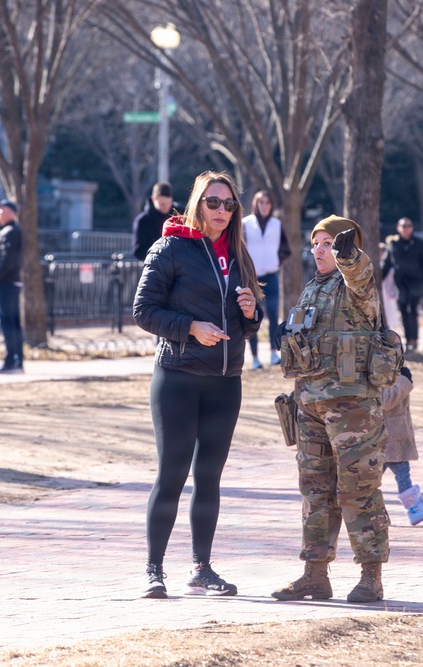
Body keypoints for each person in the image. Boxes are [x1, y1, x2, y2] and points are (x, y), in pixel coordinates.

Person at [132, 171, 262, 599]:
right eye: (213, 202)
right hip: (178, 378)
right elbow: (144, 310)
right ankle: (154, 570)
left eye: (228, 204)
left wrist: (250, 312)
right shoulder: (171, 246)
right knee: (172, 473)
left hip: (226, 382)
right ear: (196, 204)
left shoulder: (239, 253)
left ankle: (202, 568)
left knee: (209, 477)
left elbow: (249, 325)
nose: (221, 211)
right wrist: (190, 327)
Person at [271, 215, 391, 604]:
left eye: (328, 243)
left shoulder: (357, 285)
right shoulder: (311, 289)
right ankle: (314, 575)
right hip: (310, 405)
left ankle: (371, 576)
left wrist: (349, 256)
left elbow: (360, 275)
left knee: (358, 489)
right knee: (315, 490)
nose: (320, 250)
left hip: (353, 407)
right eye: (316, 243)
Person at [382, 366, 423, 525]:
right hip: (388, 437)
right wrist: (404, 380)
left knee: (370, 479)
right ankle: (414, 509)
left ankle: (414, 508)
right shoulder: (378, 368)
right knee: (401, 474)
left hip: (391, 436)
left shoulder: (389, 366)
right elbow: (386, 400)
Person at [242, 190, 291, 369]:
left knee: (272, 313)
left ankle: (273, 353)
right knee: (252, 315)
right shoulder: (246, 224)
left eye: (267, 203)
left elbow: (286, 249)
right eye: (261, 202)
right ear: (256, 204)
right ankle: (254, 357)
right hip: (252, 277)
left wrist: (276, 261)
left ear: (271, 205)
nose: (264, 206)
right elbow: (239, 248)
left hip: (271, 275)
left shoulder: (276, 224)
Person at [382, 217, 423, 351]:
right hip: (401, 284)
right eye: (403, 226)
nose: (406, 229)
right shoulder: (393, 245)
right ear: (398, 228)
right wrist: (377, 279)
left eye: (409, 226)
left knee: (412, 310)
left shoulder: (420, 244)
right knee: (404, 311)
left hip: (416, 283)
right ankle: (408, 339)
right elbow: (387, 265)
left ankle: (414, 339)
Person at [0, 199, 25, 373]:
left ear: (10, 212)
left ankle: (13, 361)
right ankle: (15, 360)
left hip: (6, 283)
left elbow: (6, 260)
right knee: (11, 322)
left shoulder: (10, 232)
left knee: (8, 323)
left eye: (0, 211)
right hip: (9, 281)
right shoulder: (11, 231)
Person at [132, 181, 174, 261]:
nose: (165, 206)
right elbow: (138, 250)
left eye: (168, 203)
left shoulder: (179, 214)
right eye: (162, 204)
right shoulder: (143, 221)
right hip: (155, 264)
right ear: (153, 199)